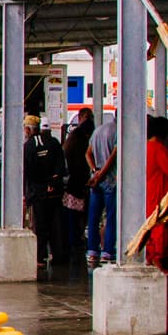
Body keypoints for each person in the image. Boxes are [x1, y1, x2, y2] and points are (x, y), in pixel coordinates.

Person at [23, 114, 65, 265]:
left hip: (37, 192)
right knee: (56, 225)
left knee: (40, 225)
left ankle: (40, 257)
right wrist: (53, 181)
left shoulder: (28, 146)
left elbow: (27, 171)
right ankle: (58, 255)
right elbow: (61, 167)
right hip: (54, 191)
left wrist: (28, 193)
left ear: (28, 129)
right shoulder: (54, 142)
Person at [144, 116, 168, 271]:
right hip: (160, 192)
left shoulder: (146, 147)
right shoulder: (160, 149)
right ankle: (158, 260)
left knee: (151, 226)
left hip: (149, 191)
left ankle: (152, 257)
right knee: (160, 227)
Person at [60, 108, 94, 264]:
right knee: (75, 215)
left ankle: (75, 241)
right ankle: (75, 242)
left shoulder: (72, 138)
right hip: (76, 184)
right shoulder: (77, 140)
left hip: (75, 184)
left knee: (75, 215)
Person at [85, 112, 119, 264]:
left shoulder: (98, 130)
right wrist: (102, 174)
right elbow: (114, 156)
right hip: (110, 179)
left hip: (96, 180)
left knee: (93, 217)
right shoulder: (119, 131)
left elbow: (88, 153)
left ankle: (92, 251)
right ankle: (107, 251)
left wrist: (94, 171)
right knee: (111, 217)